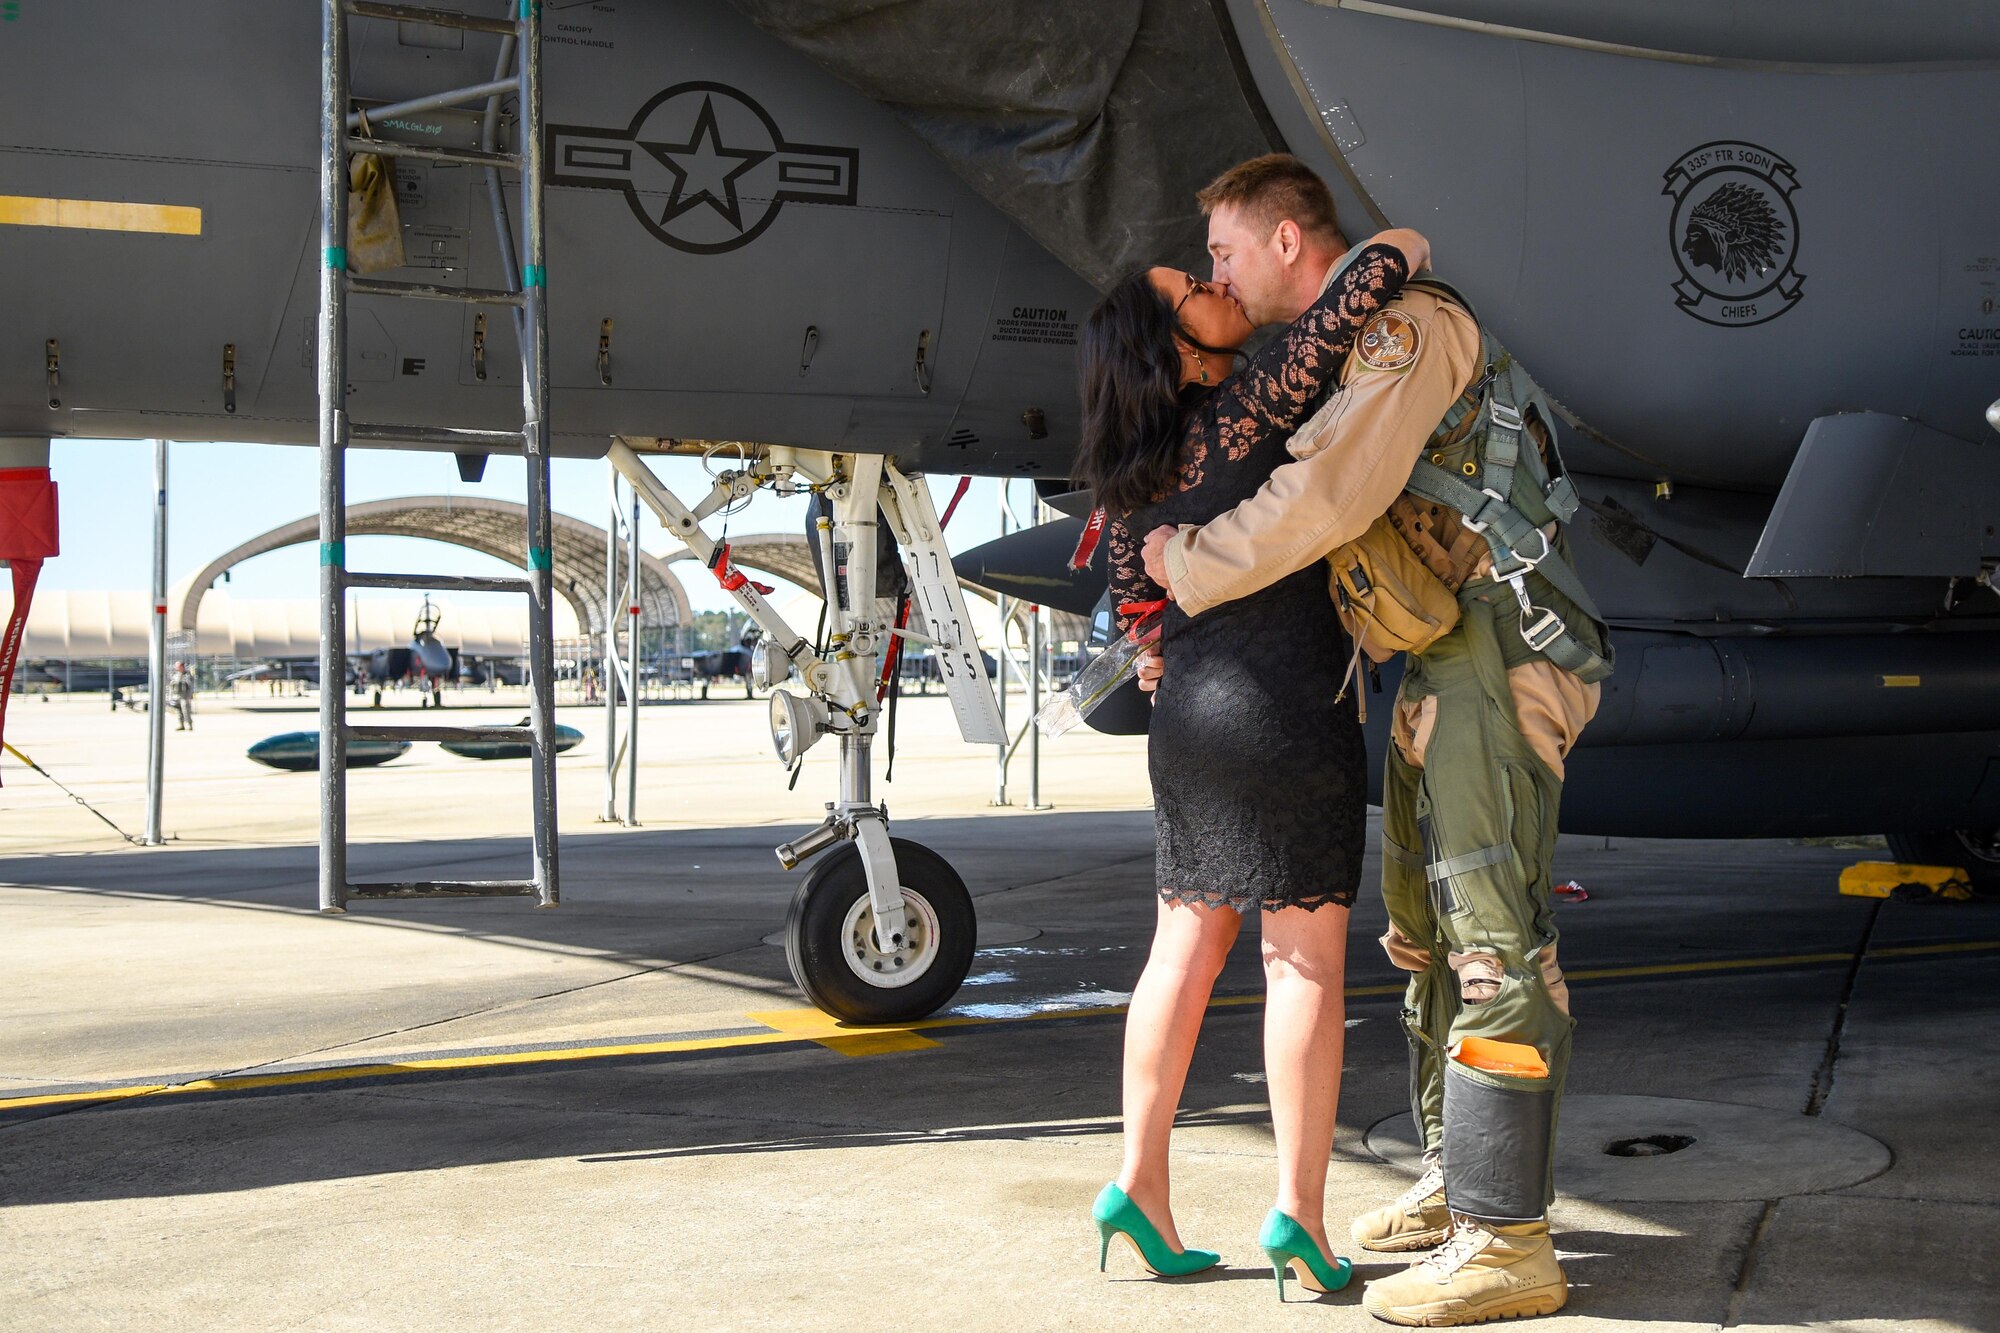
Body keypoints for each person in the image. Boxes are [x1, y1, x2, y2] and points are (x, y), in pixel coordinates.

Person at [1140, 156, 1608, 1325]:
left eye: (1225, 252)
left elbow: (1328, 496)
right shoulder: (1349, 347)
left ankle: (1509, 1241)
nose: (1217, 275)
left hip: (1502, 652)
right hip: (1443, 660)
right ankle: (1463, 1182)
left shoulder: (1405, 329)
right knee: (1428, 932)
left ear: (1288, 243)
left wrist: (1186, 570)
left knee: (1491, 934)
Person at [1076, 166, 1428, 1296]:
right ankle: (1299, 1216)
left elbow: (1137, 598)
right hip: (1283, 699)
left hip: (1184, 715)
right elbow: (1372, 272)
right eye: (1197, 283)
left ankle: (1137, 1181)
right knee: (1304, 964)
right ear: (1176, 345)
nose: (1218, 282)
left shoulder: (1127, 481)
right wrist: (1411, 239)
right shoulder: (1249, 403)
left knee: (1179, 949)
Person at [171, 663, 194, 731]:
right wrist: (171, 696)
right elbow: (172, 685)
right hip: (176, 696)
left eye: (178, 666)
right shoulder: (175, 675)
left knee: (186, 711)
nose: (176, 667)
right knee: (178, 711)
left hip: (185, 696)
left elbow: (190, 686)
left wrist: (190, 695)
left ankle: (189, 725)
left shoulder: (187, 675)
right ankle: (181, 725)